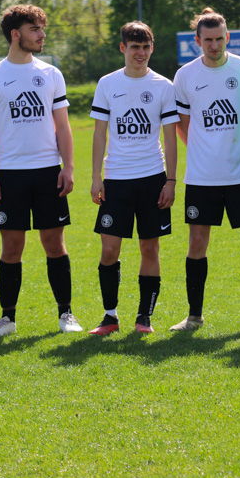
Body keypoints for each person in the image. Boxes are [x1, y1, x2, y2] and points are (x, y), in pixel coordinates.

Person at [170, 9, 240, 331]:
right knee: (196, 243)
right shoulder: (185, 76)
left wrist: (235, 146)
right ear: (198, 41)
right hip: (201, 177)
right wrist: (205, 150)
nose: (214, 45)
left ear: (227, 37)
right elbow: (184, 123)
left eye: (220, 39)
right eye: (208, 40)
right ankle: (194, 316)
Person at [0, 5, 83, 336]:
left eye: (42, 28)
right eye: (34, 28)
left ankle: (66, 315)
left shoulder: (51, 74)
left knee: (54, 243)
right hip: (10, 174)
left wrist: (68, 167)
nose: (41, 34)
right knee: (11, 248)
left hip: (48, 171)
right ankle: (7, 319)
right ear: (15, 34)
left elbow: (63, 127)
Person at [87, 21, 178, 335]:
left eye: (146, 47)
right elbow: (99, 134)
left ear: (151, 48)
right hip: (116, 180)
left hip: (153, 179)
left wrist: (171, 181)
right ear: (123, 48)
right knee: (109, 249)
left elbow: (170, 139)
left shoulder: (164, 86)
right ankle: (110, 317)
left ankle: (144, 318)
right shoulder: (107, 84)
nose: (141, 53)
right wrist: (96, 177)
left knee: (149, 249)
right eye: (134, 47)